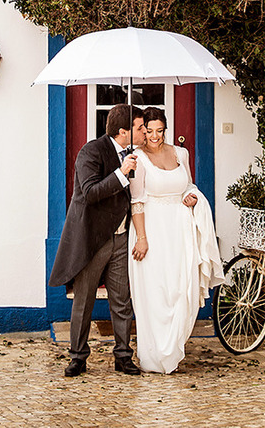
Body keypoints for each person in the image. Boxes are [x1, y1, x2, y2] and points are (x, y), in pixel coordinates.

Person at [48, 103, 144, 377]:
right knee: (84, 301)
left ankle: (123, 356)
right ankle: (78, 357)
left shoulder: (134, 155)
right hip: (93, 239)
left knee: (121, 301)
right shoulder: (90, 152)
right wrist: (121, 173)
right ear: (123, 131)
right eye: (139, 127)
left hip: (121, 238)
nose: (144, 131)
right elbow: (89, 192)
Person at [128, 106, 225, 373]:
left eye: (159, 131)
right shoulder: (137, 157)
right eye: (149, 131)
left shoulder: (181, 153)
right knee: (156, 291)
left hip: (180, 230)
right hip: (151, 230)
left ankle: (174, 349)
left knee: (182, 288)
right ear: (143, 131)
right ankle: (155, 355)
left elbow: (188, 185)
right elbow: (137, 201)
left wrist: (191, 197)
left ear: (165, 129)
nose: (155, 136)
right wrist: (142, 238)